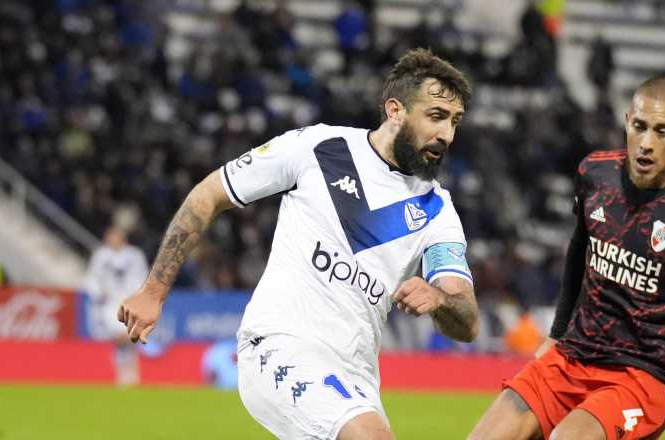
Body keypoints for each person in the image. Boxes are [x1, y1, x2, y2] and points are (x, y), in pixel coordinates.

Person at [118, 48, 478, 440]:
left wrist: (440, 300)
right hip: (279, 346)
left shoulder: (438, 211)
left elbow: (468, 320)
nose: (447, 135)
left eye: (455, 122)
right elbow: (208, 195)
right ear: (395, 111)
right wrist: (154, 290)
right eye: (437, 117)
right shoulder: (320, 148)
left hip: (357, 376)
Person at [469, 77, 665, 440]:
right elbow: (577, 254)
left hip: (644, 375)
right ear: (627, 120)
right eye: (640, 127)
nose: (647, 143)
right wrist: (556, 333)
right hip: (573, 355)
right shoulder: (595, 174)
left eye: (662, 131)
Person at [83, 226, 149, 386]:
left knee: (128, 338)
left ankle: (131, 375)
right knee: (119, 339)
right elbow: (91, 278)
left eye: (116, 236)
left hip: (130, 303)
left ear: (122, 237)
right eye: (110, 236)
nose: (113, 239)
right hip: (110, 304)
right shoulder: (100, 256)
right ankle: (123, 376)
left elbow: (144, 276)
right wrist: (98, 293)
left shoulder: (134, 255)